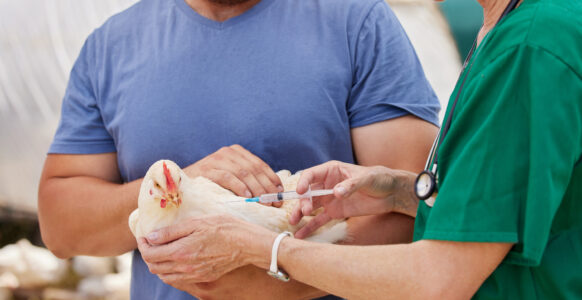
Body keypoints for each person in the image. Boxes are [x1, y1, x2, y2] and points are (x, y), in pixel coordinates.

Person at [136, 0, 582, 298]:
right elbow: (511, 207)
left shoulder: (532, 45)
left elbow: (441, 279)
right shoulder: (521, 29)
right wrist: (399, 192)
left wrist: (266, 249)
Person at [37, 0, 440, 299]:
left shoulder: (358, 22)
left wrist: (271, 279)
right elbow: (61, 228)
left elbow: (418, 211)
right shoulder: (111, 47)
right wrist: (175, 186)